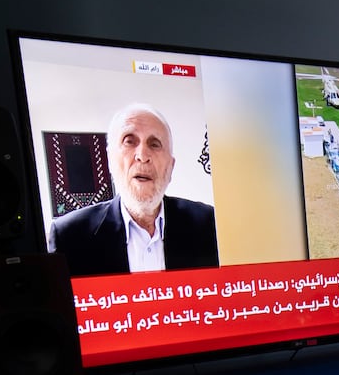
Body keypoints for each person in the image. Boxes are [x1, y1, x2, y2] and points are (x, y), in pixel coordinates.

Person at [49, 103, 219, 276]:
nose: (142, 156)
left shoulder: (210, 225)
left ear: (171, 166)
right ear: (110, 159)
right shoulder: (69, 237)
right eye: (129, 141)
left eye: (154, 144)